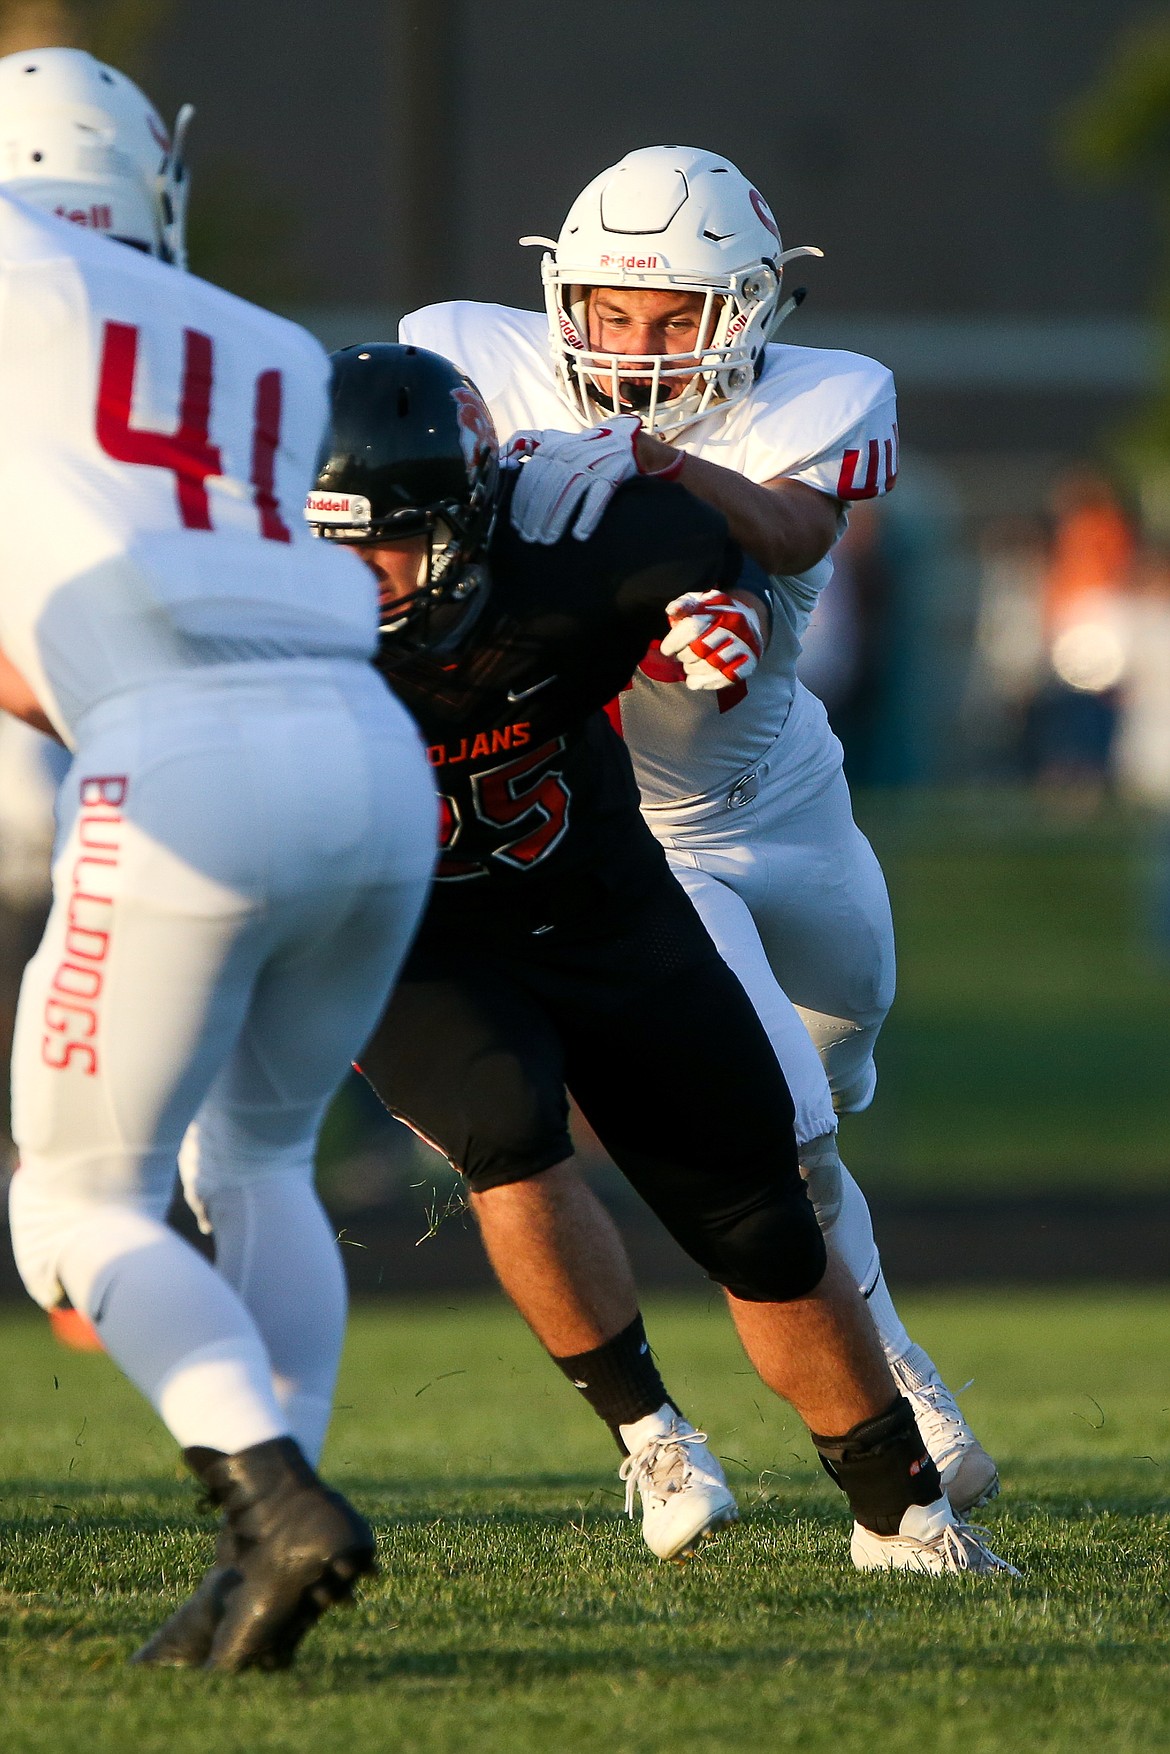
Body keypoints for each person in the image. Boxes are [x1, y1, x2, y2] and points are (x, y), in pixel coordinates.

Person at [305, 339, 1015, 1578]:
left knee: (758, 1215)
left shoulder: (569, 533)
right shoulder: (249, 624)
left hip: (602, 904)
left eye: (385, 542)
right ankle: (652, 1433)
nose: (353, 579)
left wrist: (717, 613)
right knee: (507, 1135)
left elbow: (714, 564)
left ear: (470, 515)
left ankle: (901, 1516)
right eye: (327, 543)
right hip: (411, 933)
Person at [0, 48, 436, 1669]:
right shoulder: (250, 337)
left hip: (186, 759)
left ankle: (271, 1497)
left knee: (70, 1199)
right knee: (253, 1157)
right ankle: (269, 1535)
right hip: (367, 748)